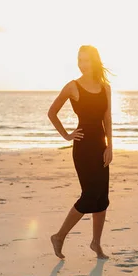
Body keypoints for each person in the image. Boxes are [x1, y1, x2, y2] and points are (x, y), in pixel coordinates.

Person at [47, 45, 113, 259]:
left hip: (101, 146)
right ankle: (59, 236)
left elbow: (107, 118)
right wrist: (67, 135)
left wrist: (110, 146)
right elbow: (52, 112)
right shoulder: (72, 87)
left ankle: (96, 243)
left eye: (86, 59)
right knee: (89, 196)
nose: (82, 63)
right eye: (80, 59)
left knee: (102, 197)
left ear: (94, 61)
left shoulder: (105, 87)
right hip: (83, 147)